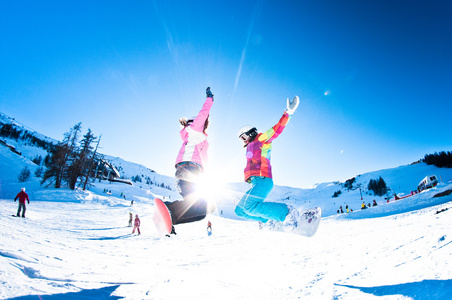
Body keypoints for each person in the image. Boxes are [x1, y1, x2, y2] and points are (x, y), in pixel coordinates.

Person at [234, 96, 304, 232]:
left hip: (263, 180)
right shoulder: (250, 147)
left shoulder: (261, 139)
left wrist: (288, 113)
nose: (243, 141)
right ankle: (267, 220)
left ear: (250, 133)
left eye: (243, 137)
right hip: (256, 182)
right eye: (241, 139)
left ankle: (287, 212)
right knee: (240, 211)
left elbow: (276, 130)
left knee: (249, 207)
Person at [164, 87, 215, 234]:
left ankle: (172, 217)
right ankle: (169, 208)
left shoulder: (201, 141)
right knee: (198, 206)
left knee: (202, 211)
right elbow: (203, 113)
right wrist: (210, 99)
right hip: (188, 171)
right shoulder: (193, 132)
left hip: (193, 174)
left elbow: (205, 161)